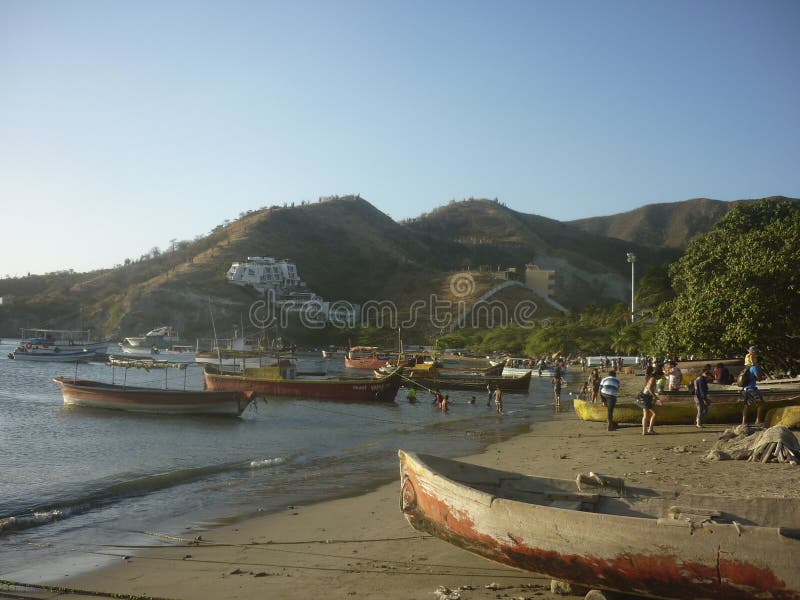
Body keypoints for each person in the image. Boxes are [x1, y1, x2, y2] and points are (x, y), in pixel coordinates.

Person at [741, 355, 767, 426]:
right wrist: (763, 377)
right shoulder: (755, 368)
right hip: (752, 389)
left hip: (745, 389)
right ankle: (758, 421)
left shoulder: (748, 368)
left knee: (746, 405)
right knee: (760, 404)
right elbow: (758, 378)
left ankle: (743, 422)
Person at [640, 368, 662, 435]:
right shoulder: (653, 379)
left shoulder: (652, 378)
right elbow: (649, 388)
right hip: (645, 397)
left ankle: (645, 431)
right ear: (657, 375)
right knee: (654, 413)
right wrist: (655, 397)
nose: (660, 378)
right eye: (660, 376)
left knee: (646, 415)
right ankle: (650, 429)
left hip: (645, 397)